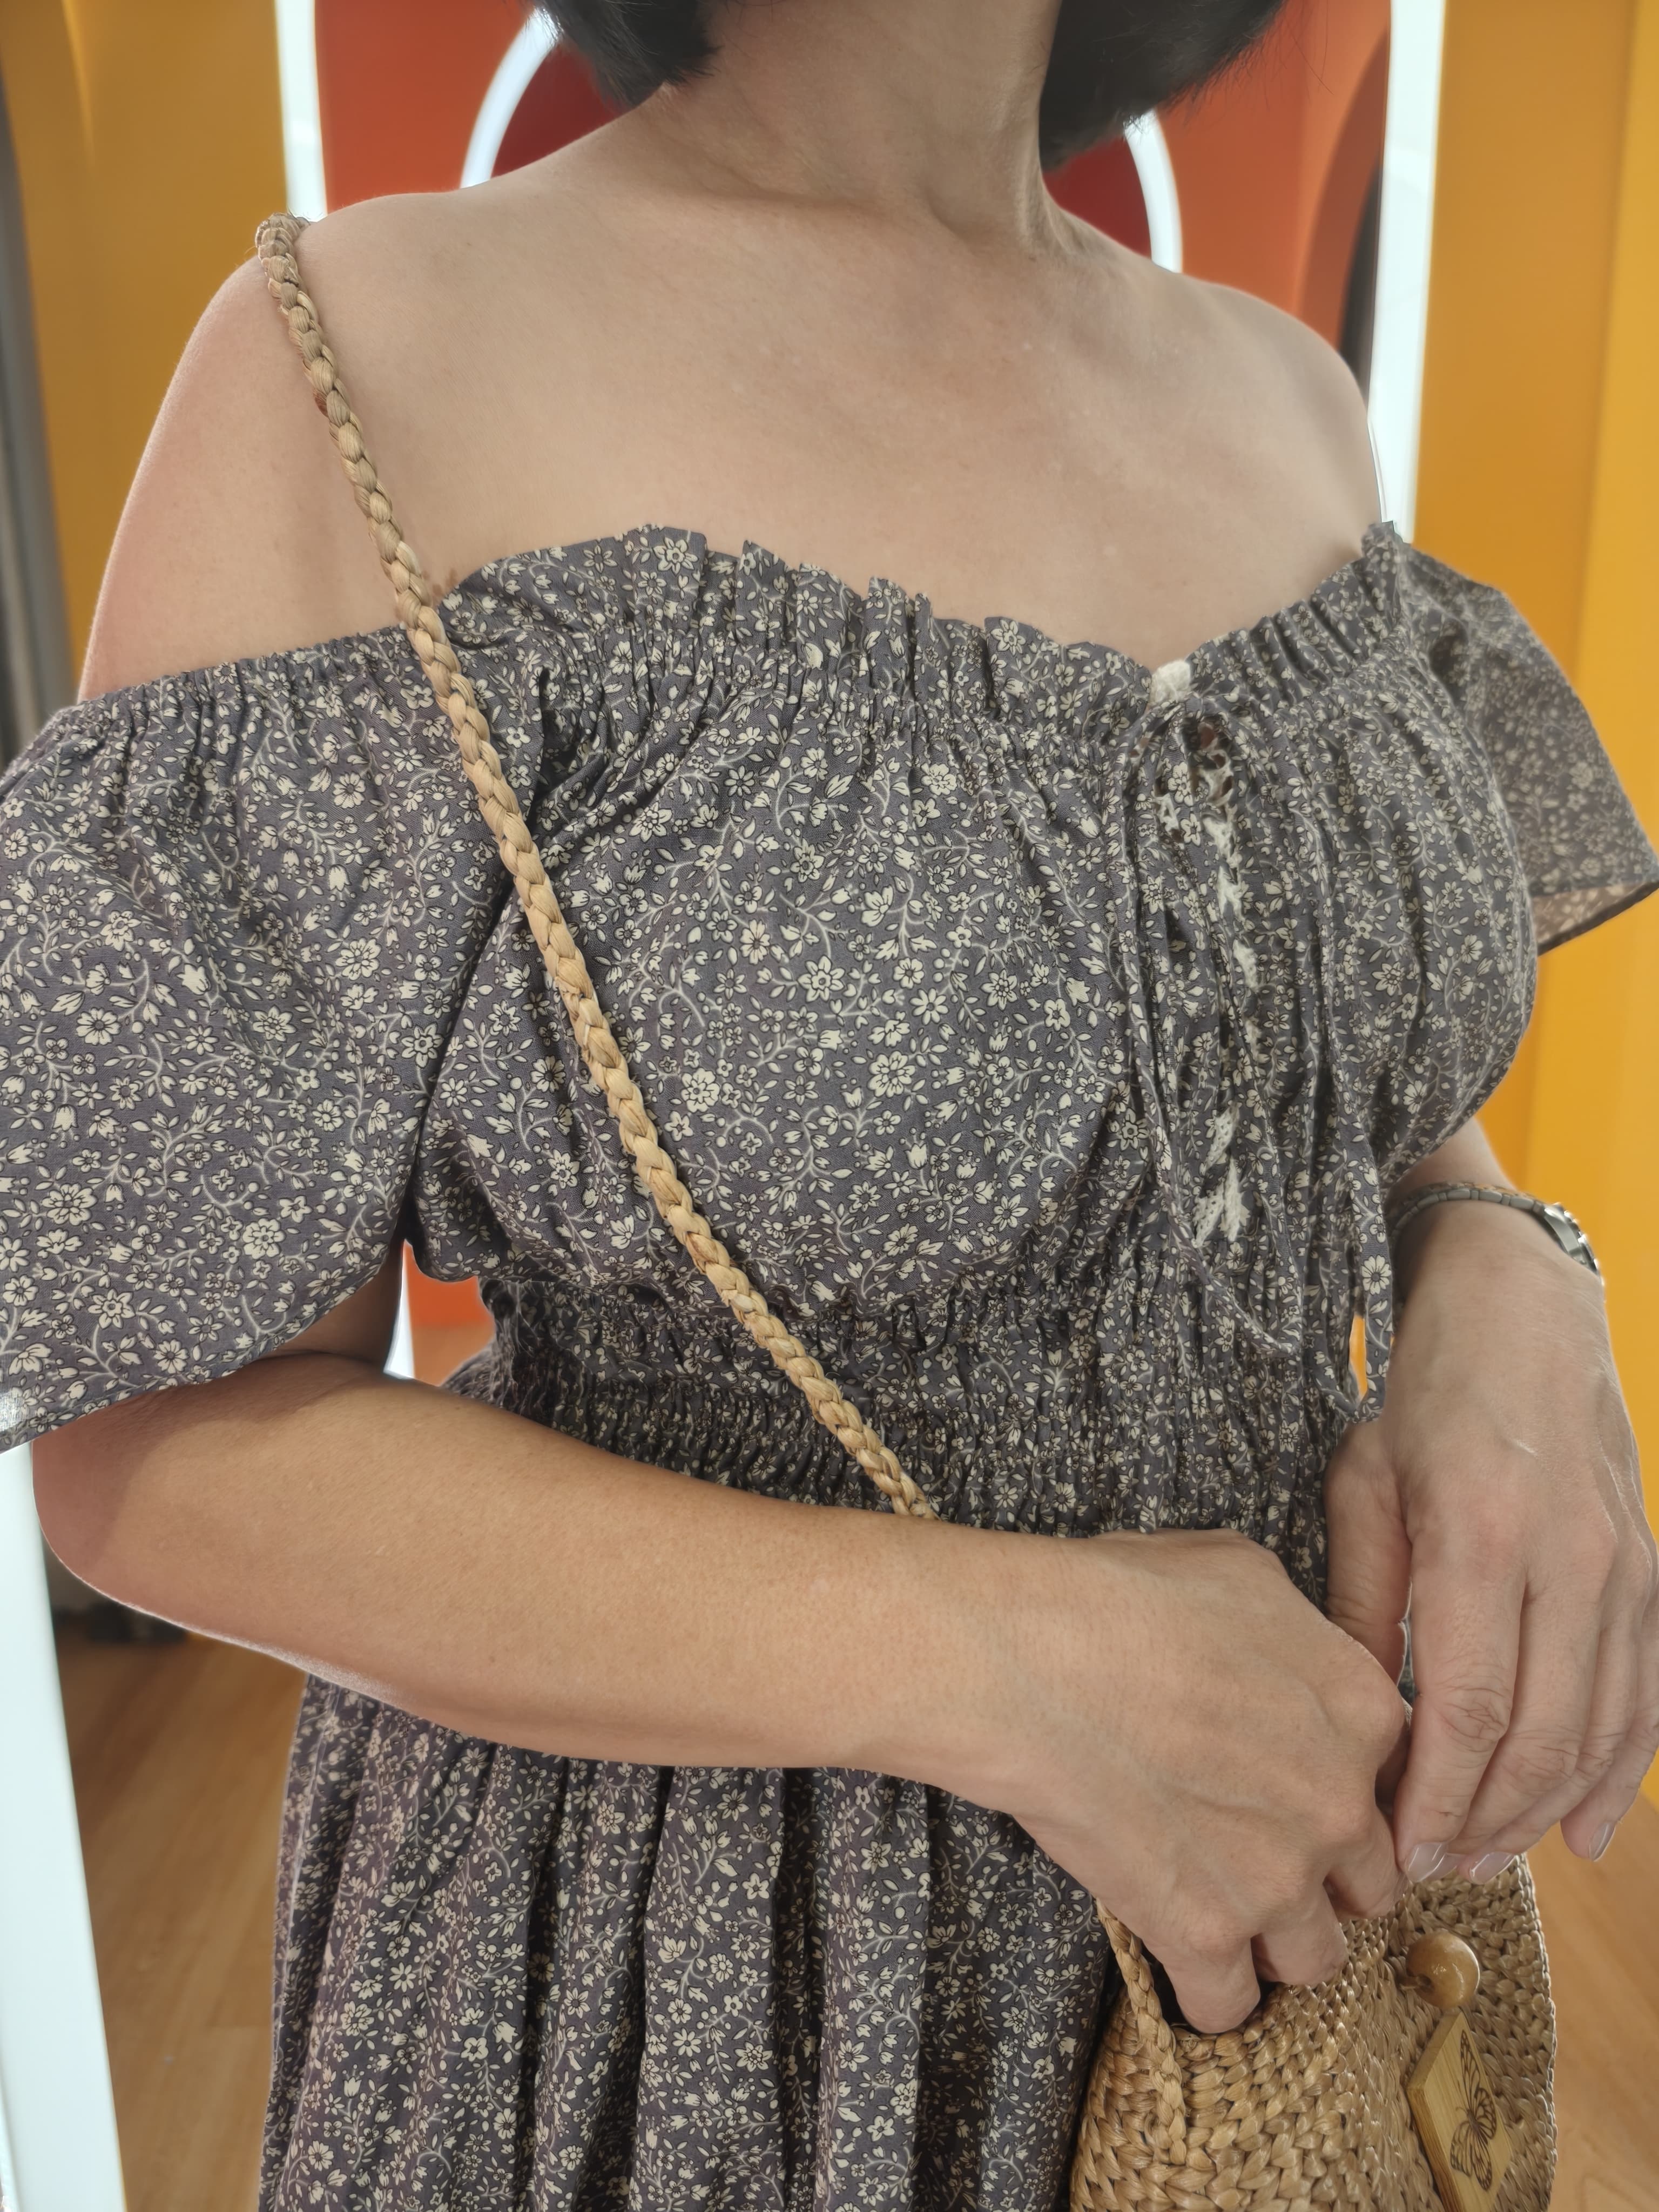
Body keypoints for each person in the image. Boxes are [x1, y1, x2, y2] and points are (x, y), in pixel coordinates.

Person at [8, 0, 1657, 2203]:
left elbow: (1294, 1084)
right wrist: (1001, 1665)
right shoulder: (359, 375)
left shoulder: (1283, 401)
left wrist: (1502, 1264)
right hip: (697, 1991)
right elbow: (154, 1435)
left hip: (1298, 1938)